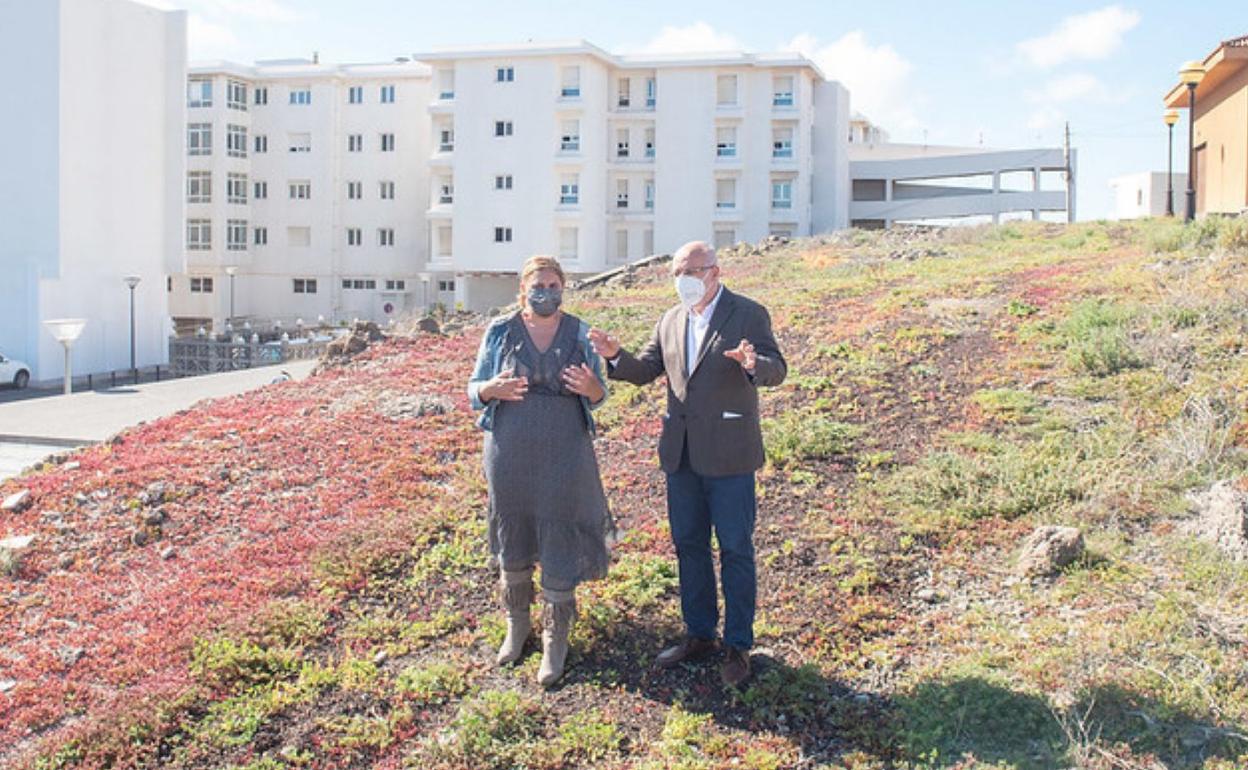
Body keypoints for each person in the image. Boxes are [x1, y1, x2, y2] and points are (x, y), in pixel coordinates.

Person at [589, 240, 786, 687]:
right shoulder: (670, 319)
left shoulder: (748, 313)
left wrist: (755, 365)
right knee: (688, 545)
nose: (684, 280)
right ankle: (699, 634)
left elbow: (777, 367)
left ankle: (738, 645)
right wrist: (615, 356)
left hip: (731, 453)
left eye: (692, 271)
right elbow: (645, 370)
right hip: (681, 455)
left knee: (735, 548)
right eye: (678, 272)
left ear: (714, 271)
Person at [467, 255, 614, 688]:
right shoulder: (500, 331)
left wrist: (593, 389)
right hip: (510, 453)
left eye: (553, 285)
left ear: (563, 288)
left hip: (566, 456)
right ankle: (518, 626)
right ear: (522, 290)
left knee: (558, 535)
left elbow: (599, 392)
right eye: (538, 285)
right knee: (514, 534)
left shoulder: (581, 332)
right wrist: (490, 389)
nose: (545, 292)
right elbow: (473, 390)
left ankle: (556, 637)